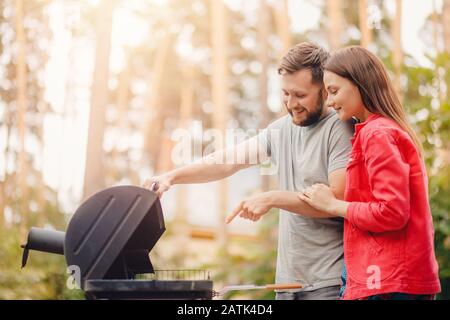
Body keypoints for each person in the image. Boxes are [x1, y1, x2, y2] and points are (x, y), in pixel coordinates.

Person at [143, 42, 354, 300]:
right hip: (287, 285)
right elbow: (228, 161)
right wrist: (172, 177)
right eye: (285, 94)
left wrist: (271, 198)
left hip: (328, 284)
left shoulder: (340, 128)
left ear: (323, 89)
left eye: (300, 95)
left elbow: (336, 200)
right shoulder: (280, 130)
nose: (291, 104)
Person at [299, 46, 441, 300]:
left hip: (389, 283)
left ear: (360, 84)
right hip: (388, 279)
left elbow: (392, 211)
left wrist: (333, 205)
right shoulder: (376, 132)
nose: (330, 102)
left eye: (334, 91)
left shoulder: (378, 134)